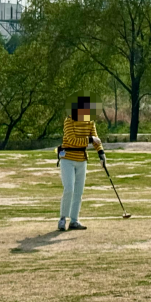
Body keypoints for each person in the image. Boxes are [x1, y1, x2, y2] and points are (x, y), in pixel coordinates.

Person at [57, 94, 106, 231]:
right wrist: (90, 140)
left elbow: (96, 139)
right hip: (67, 158)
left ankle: (74, 220)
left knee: (78, 191)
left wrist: (101, 154)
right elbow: (72, 140)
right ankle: (62, 219)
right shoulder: (69, 121)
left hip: (81, 160)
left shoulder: (90, 122)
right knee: (69, 189)